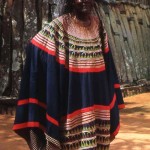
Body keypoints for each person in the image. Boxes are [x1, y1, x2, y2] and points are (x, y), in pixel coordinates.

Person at [13, 0, 125, 149]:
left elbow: (108, 67)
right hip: (71, 106)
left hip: (98, 108)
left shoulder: (99, 27)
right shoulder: (60, 27)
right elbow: (35, 48)